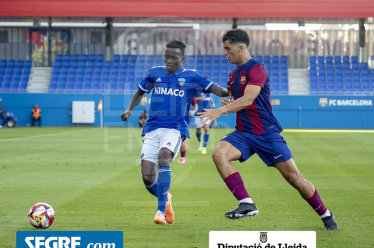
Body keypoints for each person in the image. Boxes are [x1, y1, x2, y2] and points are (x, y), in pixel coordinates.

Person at [197, 29, 337, 230]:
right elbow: (239, 99)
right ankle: (246, 203)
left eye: (228, 49)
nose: (225, 53)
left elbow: (248, 99)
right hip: (244, 133)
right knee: (219, 154)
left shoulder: (257, 69)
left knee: (294, 178)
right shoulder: (233, 74)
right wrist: (228, 101)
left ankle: (326, 215)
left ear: (241, 47)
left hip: (266, 132)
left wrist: (219, 111)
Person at [121, 40, 228, 225]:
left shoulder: (192, 77)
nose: (169, 60)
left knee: (164, 157)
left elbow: (216, 89)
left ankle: (160, 211)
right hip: (152, 128)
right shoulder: (155, 73)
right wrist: (130, 109)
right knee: (147, 176)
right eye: (166, 57)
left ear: (182, 58)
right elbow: (140, 92)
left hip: (175, 128)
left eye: (174, 57)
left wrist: (233, 91)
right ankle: (166, 199)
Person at [178, 97, 198, 164]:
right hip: (173, 119)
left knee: (183, 140)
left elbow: (195, 105)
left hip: (185, 120)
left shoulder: (188, 92)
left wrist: (193, 111)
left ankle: (182, 158)